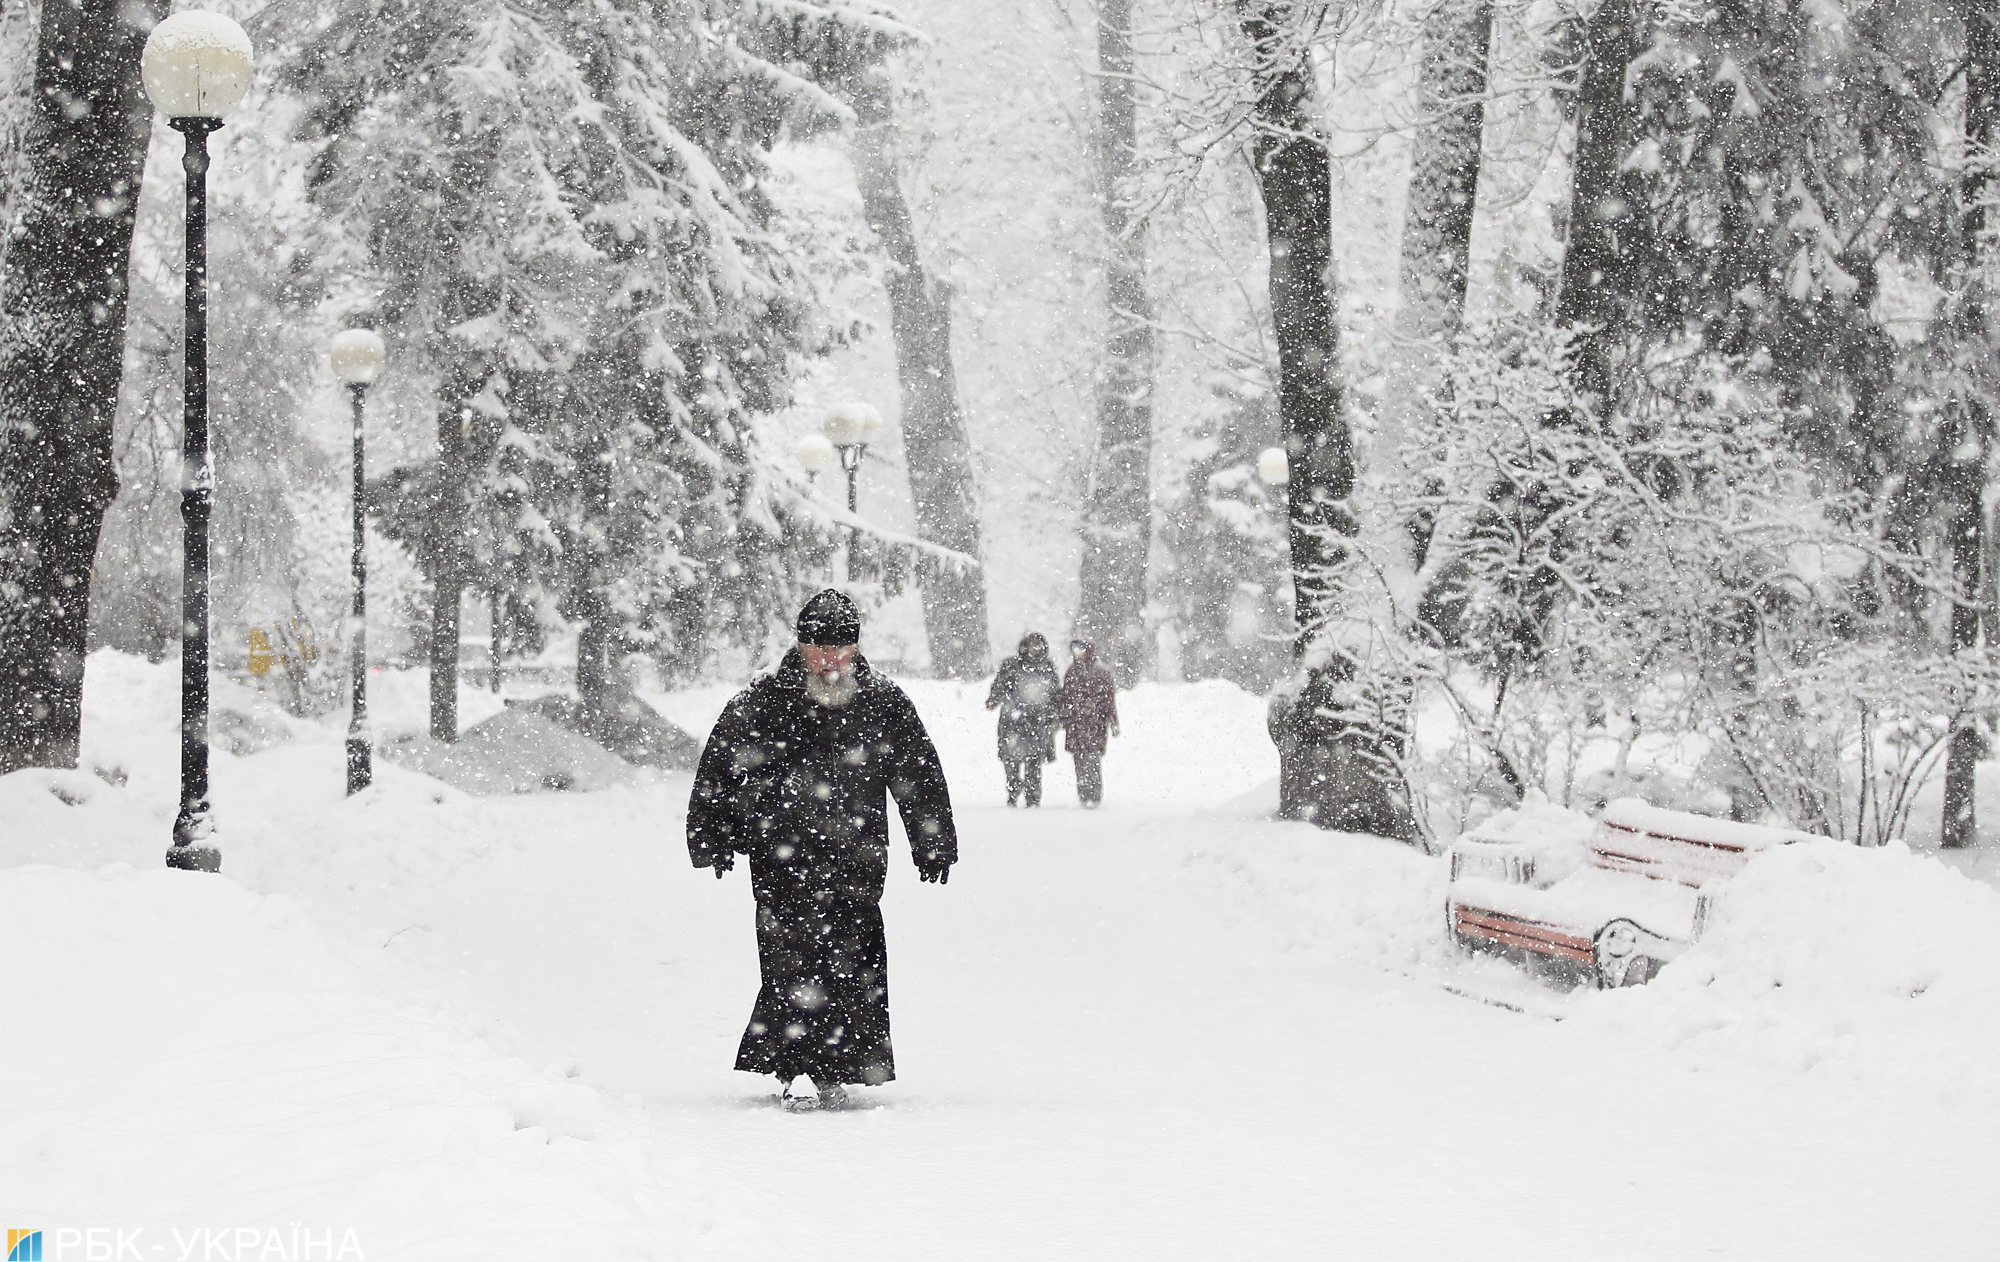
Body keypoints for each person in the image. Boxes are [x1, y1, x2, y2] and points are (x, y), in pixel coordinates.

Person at [686, 589, 957, 1112]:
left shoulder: (882, 701)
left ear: (856, 646)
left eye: (842, 645)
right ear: (801, 643)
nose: (830, 656)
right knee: (789, 961)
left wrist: (934, 842)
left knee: (852, 963)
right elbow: (720, 767)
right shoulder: (763, 700)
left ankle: (836, 1064)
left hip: (856, 858)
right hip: (781, 855)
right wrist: (712, 835)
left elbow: (916, 773)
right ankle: (798, 1069)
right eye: (819, 645)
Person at [984, 632, 1060, 807]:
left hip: (1037, 722)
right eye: (1031, 645)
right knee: (1011, 760)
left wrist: (1054, 715)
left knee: (1034, 762)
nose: (1034, 649)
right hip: (1013, 721)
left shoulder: (1046, 667)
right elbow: (1000, 685)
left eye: (1037, 646)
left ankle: (1032, 797)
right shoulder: (1012, 665)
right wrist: (993, 700)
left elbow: (1054, 694)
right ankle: (1013, 790)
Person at [1057, 638, 1118, 808]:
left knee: (1092, 760)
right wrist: (1061, 717)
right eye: (1076, 651)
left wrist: (1113, 721)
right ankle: (1084, 795)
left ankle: (1095, 795)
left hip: (1095, 725)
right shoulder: (1071, 672)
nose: (1079, 655)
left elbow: (1109, 701)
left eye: (1081, 650)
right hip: (1076, 726)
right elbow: (1065, 698)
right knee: (1079, 761)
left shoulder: (1101, 673)